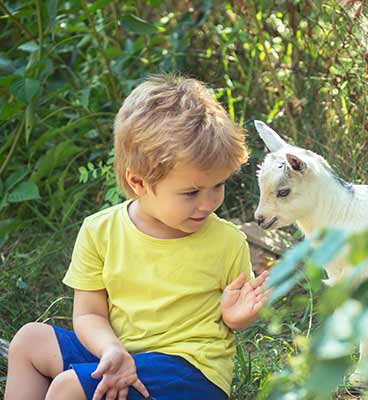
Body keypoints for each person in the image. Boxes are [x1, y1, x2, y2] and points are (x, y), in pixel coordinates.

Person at [5, 74, 270, 400]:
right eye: (191, 192)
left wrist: (235, 317)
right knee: (30, 340)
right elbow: (88, 314)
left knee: (68, 387)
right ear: (139, 183)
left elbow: (230, 320)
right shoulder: (99, 231)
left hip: (189, 371)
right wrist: (111, 350)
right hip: (117, 351)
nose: (208, 202)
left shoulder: (227, 241)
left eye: (218, 185)